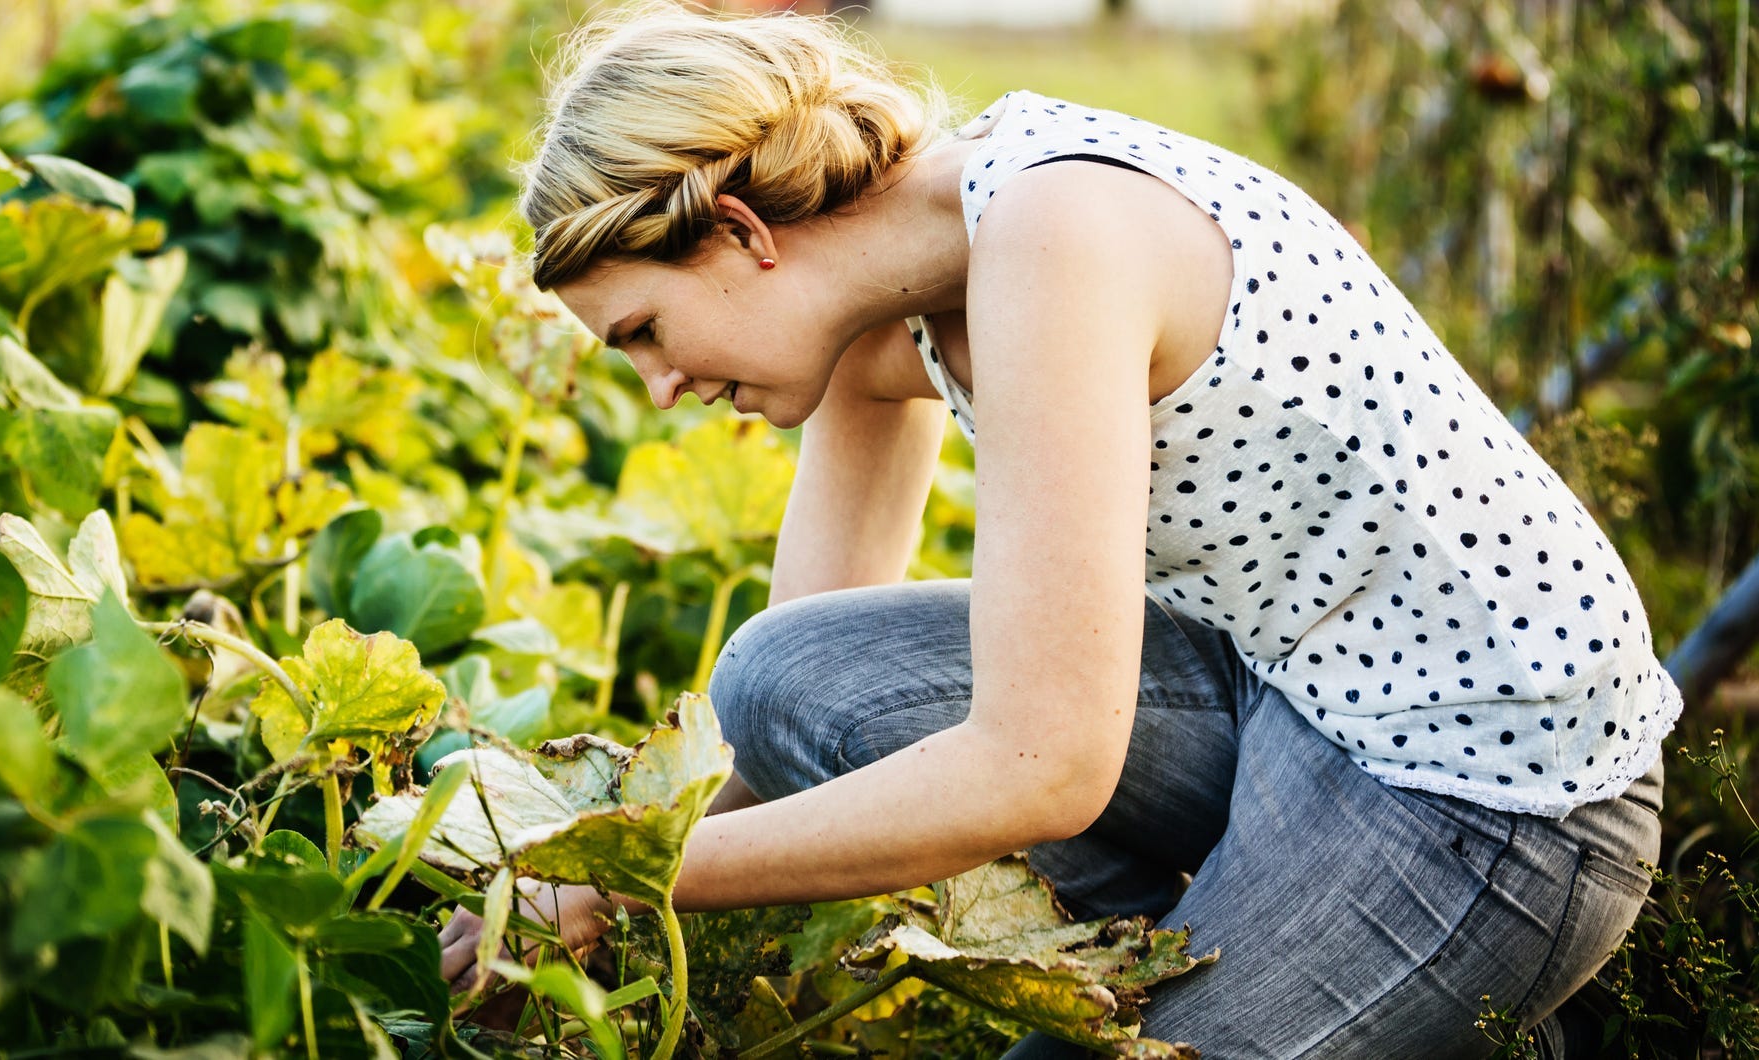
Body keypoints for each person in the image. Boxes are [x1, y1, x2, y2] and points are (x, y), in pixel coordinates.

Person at [439, 4, 1681, 1056]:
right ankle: (1270, 945)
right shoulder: (889, 301)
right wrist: (563, 873)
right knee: (778, 671)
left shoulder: (1054, 236)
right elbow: (785, 712)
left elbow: (1041, 765)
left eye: (645, 333)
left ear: (744, 235)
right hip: (1291, 692)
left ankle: (1393, 964)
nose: (659, 389)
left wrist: (621, 876)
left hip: (1492, 793)